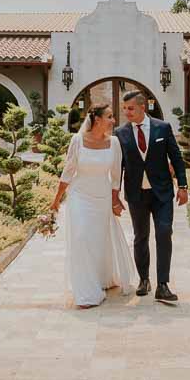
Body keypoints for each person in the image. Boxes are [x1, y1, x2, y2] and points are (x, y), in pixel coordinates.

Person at [48, 104, 136, 308]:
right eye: (110, 116)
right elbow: (68, 171)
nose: (114, 120)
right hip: (79, 195)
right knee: (81, 238)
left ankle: (101, 277)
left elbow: (115, 176)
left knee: (97, 240)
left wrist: (115, 199)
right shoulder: (77, 140)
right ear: (97, 119)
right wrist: (56, 200)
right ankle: (86, 293)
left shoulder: (113, 142)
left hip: (102, 197)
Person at [115, 90, 188, 302]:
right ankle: (144, 279)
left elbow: (176, 157)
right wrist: (115, 195)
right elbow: (117, 167)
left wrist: (182, 186)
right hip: (136, 194)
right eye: (124, 109)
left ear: (142, 107)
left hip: (162, 192)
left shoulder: (162, 128)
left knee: (164, 232)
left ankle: (163, 284)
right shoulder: (121, 133)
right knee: (140, 237)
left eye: (130, 108)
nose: (126, 112)